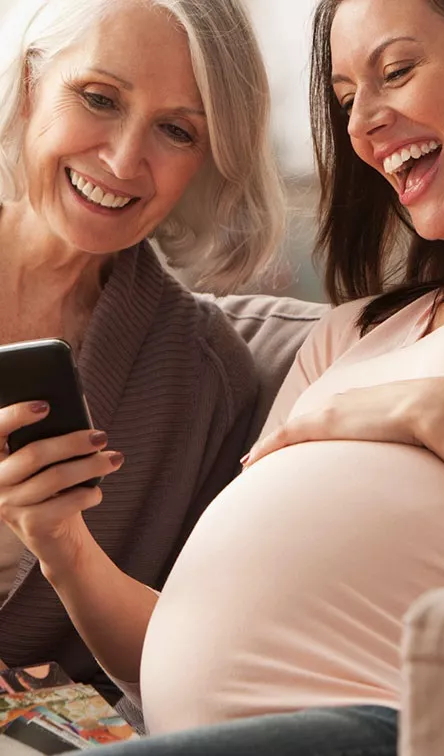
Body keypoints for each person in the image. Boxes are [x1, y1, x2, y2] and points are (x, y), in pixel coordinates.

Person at [8, 0, 444, 753]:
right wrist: (61, 543)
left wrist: (436, 412)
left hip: (380, 718)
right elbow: (184, 634)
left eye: (395, 71)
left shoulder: (200, 372)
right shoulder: (353, 334)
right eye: (343, 100)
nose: (362, 123)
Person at [0, 0, 284, 727]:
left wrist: (61, 544)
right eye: (99, 98)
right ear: (31, 85)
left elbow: (192, 664)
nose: (125, 161)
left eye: (175, 130)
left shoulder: (205, 378)